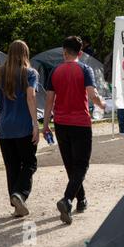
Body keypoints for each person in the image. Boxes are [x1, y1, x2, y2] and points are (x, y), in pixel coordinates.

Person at [43, 36, 105, 225]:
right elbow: (92, 94)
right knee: (81, 165)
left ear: (64, 51)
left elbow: (49, 101)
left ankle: (81, 199)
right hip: (80, 123)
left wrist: (45, 125)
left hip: (60, 123)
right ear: (80, 53)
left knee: (71, 165)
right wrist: (102, 104)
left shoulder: (54, 71)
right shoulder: (85, 69)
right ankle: (67, 199)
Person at [0, 40, 39, 218]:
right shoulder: (30, 73)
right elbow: (31, 97)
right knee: (30, 163)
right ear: (25, 54)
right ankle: (20, 194)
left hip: (5, 129)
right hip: (23, 127)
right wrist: (35, 123)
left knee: (12, 166)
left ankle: (16, 204)